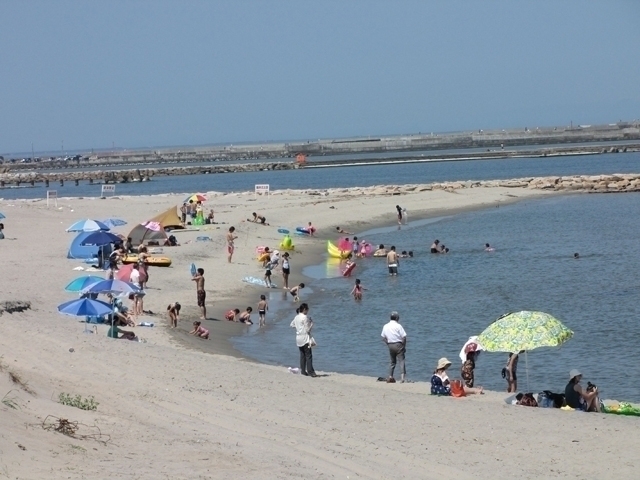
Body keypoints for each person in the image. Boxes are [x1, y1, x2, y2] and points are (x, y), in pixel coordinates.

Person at [290, 303, 316, 377]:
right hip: (305, 338)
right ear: (304, 309)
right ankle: (311, 371)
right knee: (308, 355)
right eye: (307, 309)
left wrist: (299, 327)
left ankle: (303, 371)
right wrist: (311, 324)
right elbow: (308, 329)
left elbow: (291, 324)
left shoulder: (296, 317)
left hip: (298, 338)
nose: (307, 311)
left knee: (302, 355)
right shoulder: (304, 317)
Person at [381, 311, 406, 383]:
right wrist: (404, 346)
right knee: (401, 361)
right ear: (397, 318)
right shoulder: (398, 326)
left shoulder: (385, 326)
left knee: (392, 362)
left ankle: (390, 376)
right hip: (398, 344)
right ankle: (402, 378)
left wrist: (388, 344)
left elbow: (383, 337)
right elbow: (404, 337)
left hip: (390, 345)